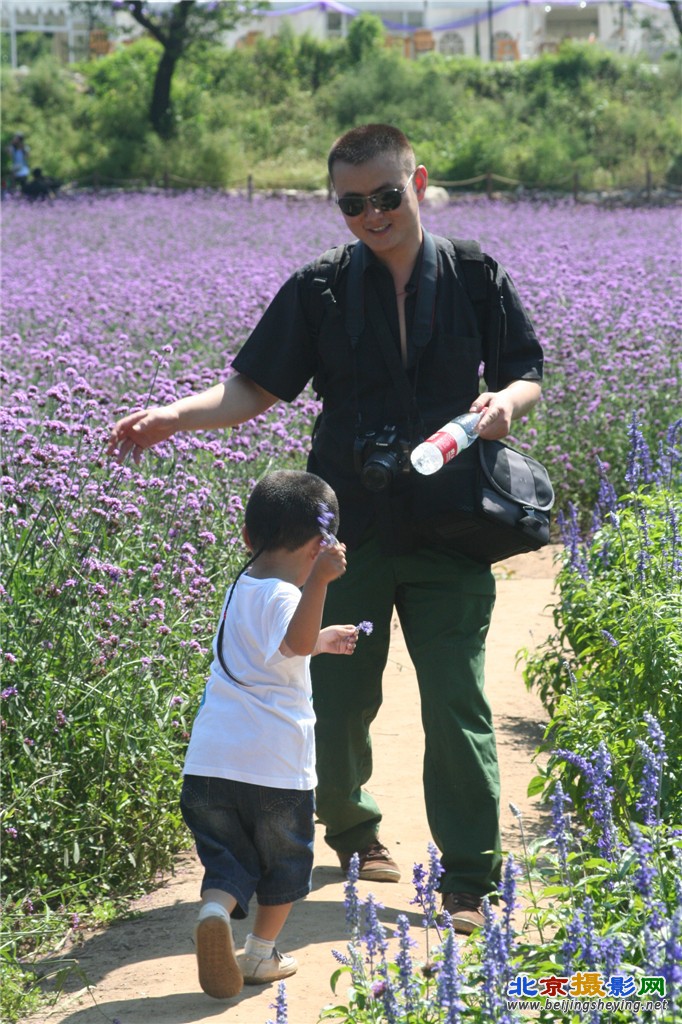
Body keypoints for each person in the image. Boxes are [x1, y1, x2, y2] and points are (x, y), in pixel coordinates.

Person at [108, 123, 543, 935]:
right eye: (352, 204)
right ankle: (351, 832)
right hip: (344, 533)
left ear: (419, 183)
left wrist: (501, 406)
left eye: (386, 196)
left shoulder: (478, 274)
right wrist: (175, 416)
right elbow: (251, 390)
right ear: (336, 205)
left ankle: (469, 880)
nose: (372, 215)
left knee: (459, 703)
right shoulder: (320, 289)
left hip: (455, 522)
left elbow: (525, 370)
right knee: (337, 699)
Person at [180, 469, 357, 999]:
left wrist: (319, 639)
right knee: (283, 864)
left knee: (228, 860)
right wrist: (322, 584)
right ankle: (259, 955)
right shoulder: (289, 594)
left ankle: (215, 910)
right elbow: (293, 641)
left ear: (246, 537)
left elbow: (274, 648)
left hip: (211, 762)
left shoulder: (239, 590)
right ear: (319, 548)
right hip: (275, 767)